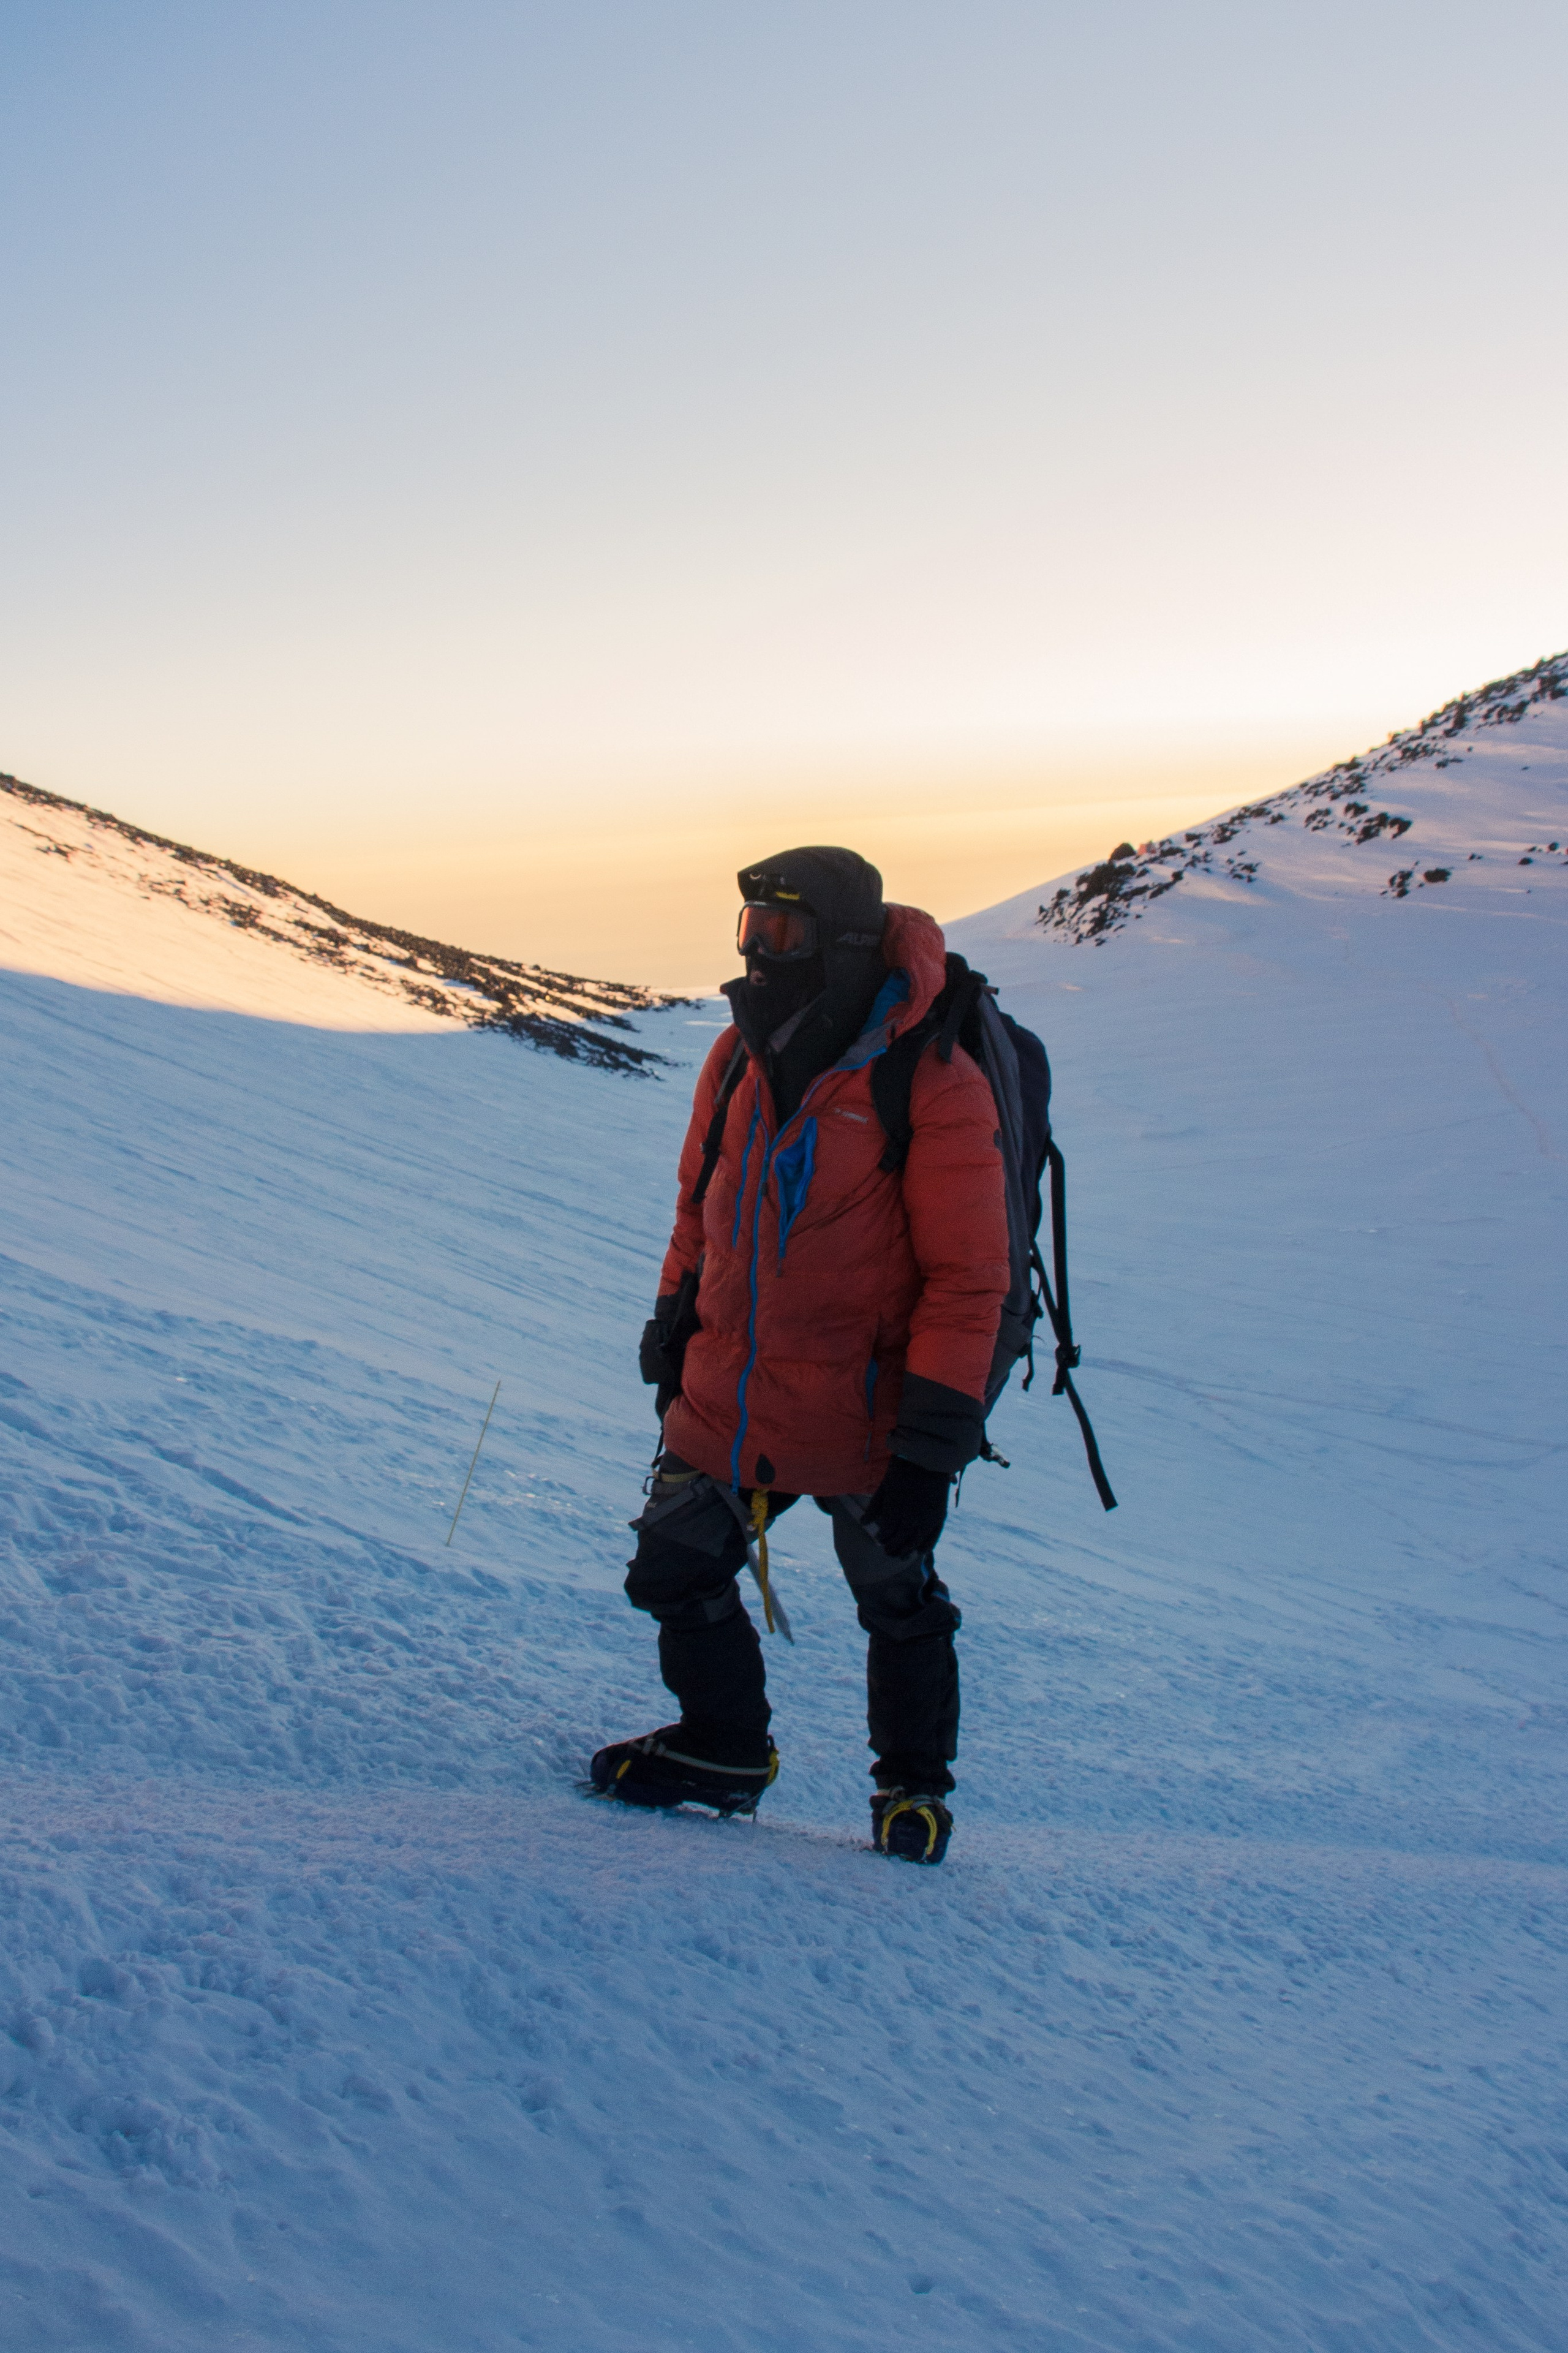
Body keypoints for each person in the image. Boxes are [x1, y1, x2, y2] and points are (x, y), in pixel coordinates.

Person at [590, 847, 1008, 1864]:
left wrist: (931, 1448)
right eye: (751, 932)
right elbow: (699, 1209)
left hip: (871, 1413)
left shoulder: (933, 1077)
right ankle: (724, 1747)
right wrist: (669, 1324)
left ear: (850, 943)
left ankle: (912, 1792)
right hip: (732, 1383)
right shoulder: (734, 1055)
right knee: (670, 1570)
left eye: (786, 933)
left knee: (898, 1601)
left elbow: (970, 1280)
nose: (762, 954)